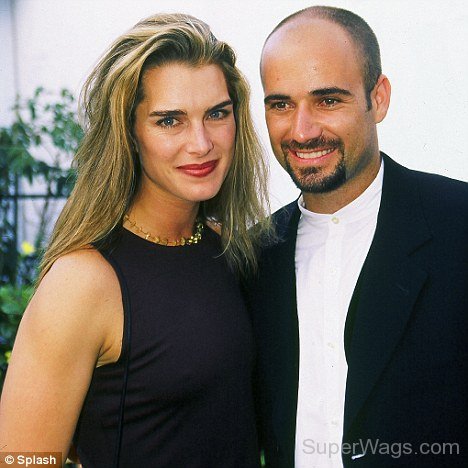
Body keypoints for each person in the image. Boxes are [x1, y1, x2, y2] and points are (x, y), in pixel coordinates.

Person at [0, 13, 271, 467]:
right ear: (129, 133)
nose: (201, 143)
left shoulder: (229, 249)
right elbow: (22, 460)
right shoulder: (84, 281)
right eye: (170, 121)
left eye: (217, 114)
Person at [246, 6, 468, 467]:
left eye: (328, 100)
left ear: (379, 97)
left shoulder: (458, 225)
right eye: (281, 104)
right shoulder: (251, 259)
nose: (302, 130)